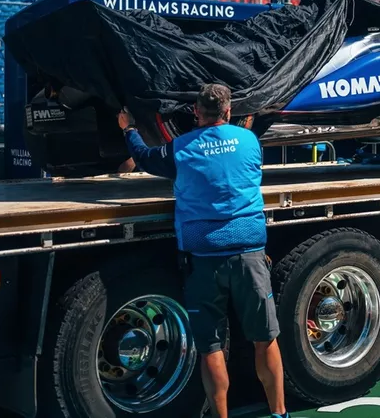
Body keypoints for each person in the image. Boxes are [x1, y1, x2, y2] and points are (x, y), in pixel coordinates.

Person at [118, 84, 288, 418]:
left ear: (196, 112)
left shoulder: (180, 149)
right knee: (265, 339)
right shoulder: (250, 142)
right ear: (228, 112)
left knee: (211, 348)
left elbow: (144, 158)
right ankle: (279, 414)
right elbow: (240, 140)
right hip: (250, 255)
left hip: (203, 259)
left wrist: (129, 130)